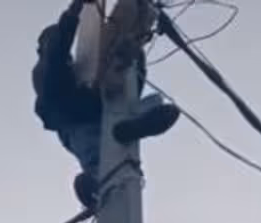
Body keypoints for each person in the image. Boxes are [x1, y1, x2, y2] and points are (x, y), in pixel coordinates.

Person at [33, 0, 181, 209]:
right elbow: (60, 42)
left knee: (136, 95)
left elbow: (125, 81)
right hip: (75, 120)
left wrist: (135, 57)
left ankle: (128, 129)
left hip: (98, 108)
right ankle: (99, 181)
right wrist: (76, 8)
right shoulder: (46, 68)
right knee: (97, 155)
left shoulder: (76, 67)